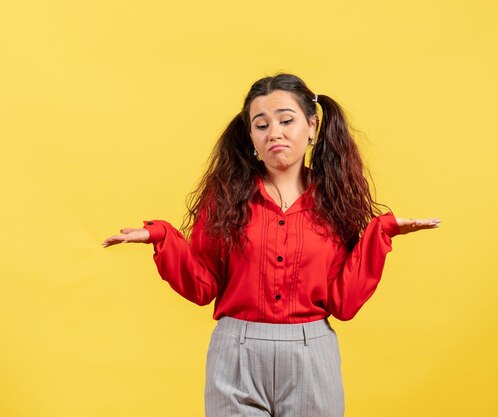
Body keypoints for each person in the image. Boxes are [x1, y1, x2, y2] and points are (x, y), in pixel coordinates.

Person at [102, 73, 440, 417]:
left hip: (312, 354)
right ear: (251, 137)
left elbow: (344, 302)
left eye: (286, 120)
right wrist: (163, 238)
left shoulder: (336, 204)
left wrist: (380, 234)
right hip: (236, 353)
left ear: (312, 126)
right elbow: (204, 286)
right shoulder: (225, 200)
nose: (274, 133)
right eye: (261, 125)